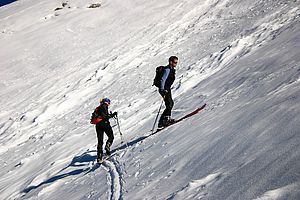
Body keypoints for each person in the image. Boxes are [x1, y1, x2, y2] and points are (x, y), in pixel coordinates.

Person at [158, 56, 178, 128]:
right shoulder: (167, 69)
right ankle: (165, 120)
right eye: (175, 62)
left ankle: (163, 120)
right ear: (171, 62)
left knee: (170, 103)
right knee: (169, 103)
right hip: (164, 89)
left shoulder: (171, 69)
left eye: (176, 62)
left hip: (166, 88)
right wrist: (162, 89)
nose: (176, 63)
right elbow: (162, 80)